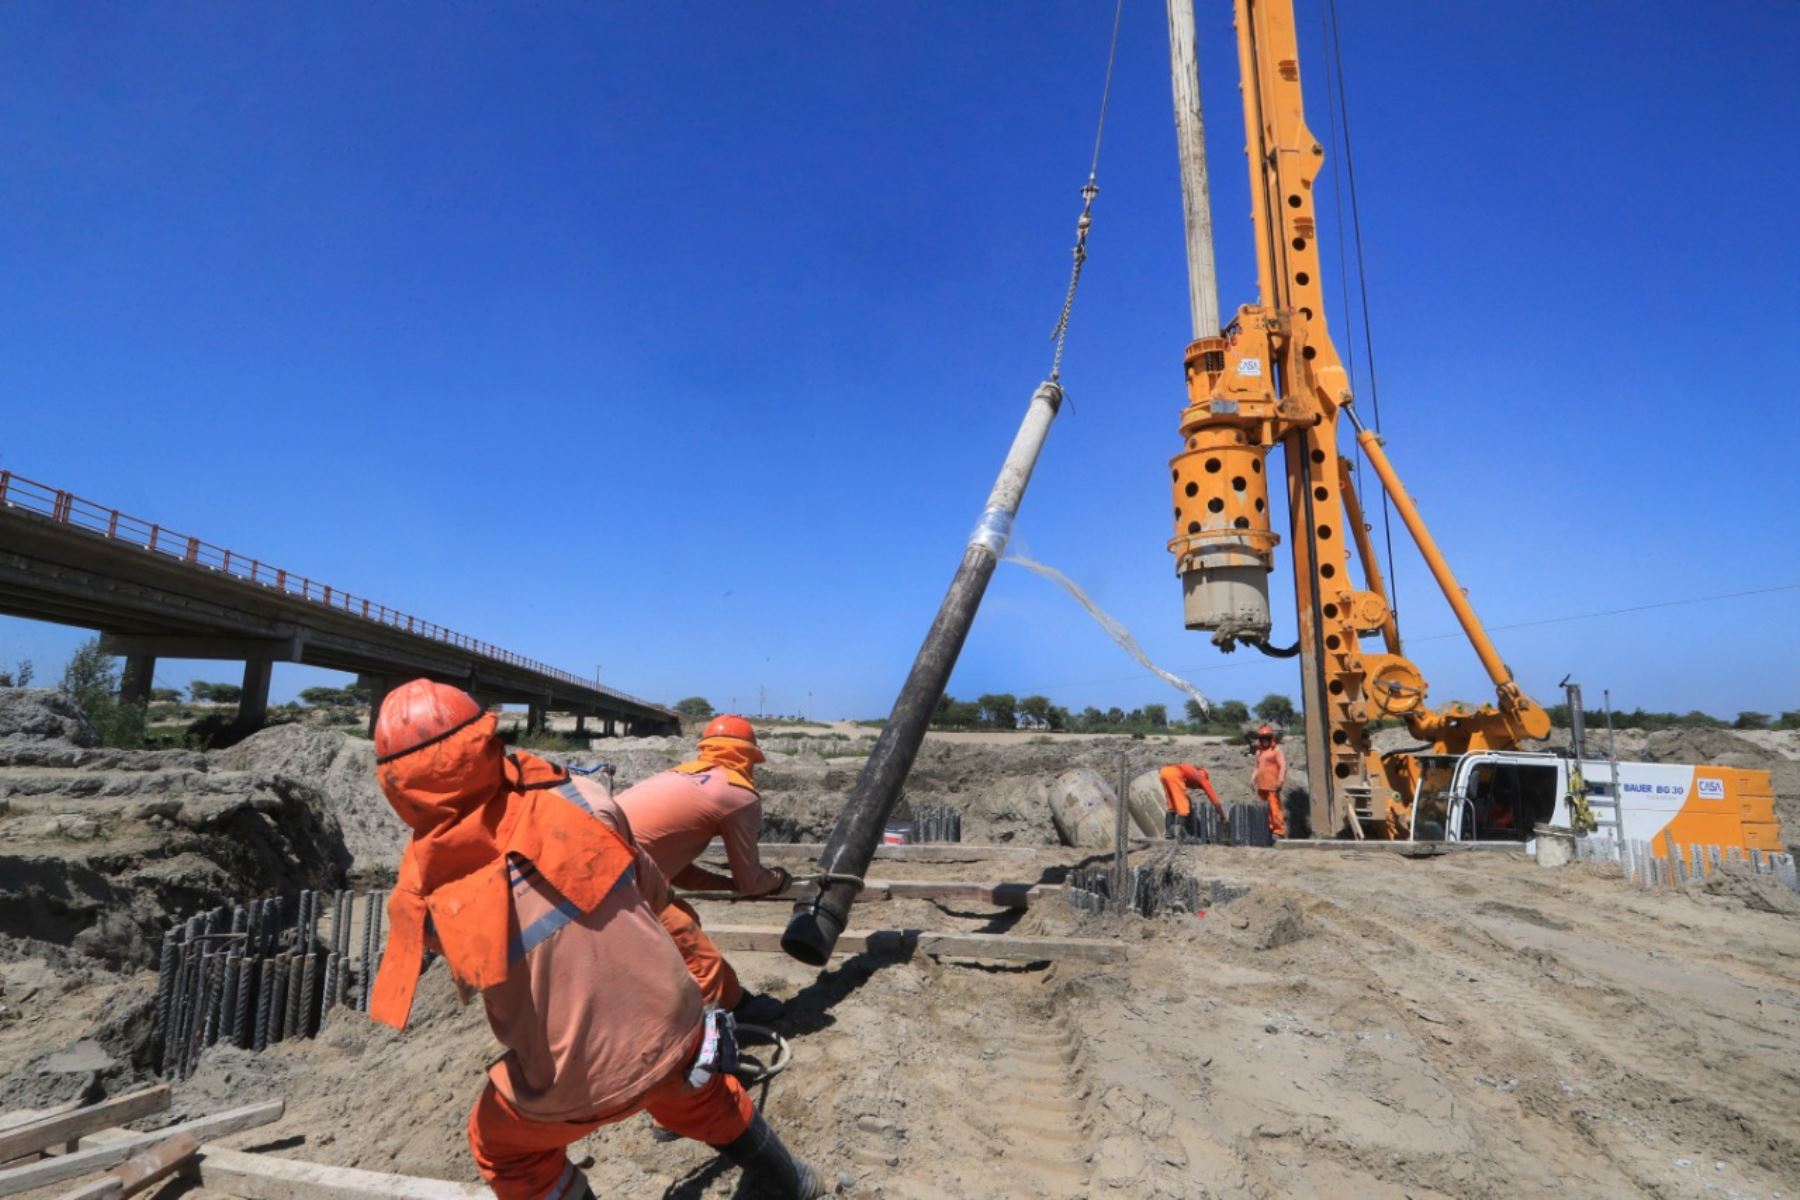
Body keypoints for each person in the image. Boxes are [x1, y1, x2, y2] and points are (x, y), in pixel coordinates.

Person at [366, 680, 823, 1200]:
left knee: (501, 1145)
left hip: (573, 1081)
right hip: (679, 1030)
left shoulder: (420, 894)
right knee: (696, 1091)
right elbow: (662, 900)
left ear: (396, 786)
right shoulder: (582, 797)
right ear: (489, 741)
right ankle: (794, 1182)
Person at [614, 714, 791, 1023]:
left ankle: (674, 999)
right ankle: (730, 1015)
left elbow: (675, 870)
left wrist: (726, 884)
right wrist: (777, 880)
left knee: (684, 918)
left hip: (604, 864)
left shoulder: (674, 776)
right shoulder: (739, 794)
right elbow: (751, 881)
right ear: (750, 757)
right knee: (698, 953)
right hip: (619, 876)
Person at [1156, 763, 1223, 840]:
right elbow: (1214, 799)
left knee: (1171, 805)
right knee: (1184, 807)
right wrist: (1222, 816)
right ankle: (1180, 833)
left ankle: (1169, 832)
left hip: (1164, 772)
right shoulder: (1202, 777)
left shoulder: (1193, 772)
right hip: (1174, 774)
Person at [1252, 724, 1288, 839]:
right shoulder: (1259, 752)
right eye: (1263, 738)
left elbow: (1283, 765)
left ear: (1271, 738)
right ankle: (1267, 829)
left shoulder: (1276, 751)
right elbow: (1257, 767)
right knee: (1264, 809)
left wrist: (1280, 780)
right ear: (1260, 740)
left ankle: (1278, 831)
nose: (1265, 740)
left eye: (1267, 738)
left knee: (1274, 809)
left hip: (1272, 786)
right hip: (1261, 786)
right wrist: (1253, 779)